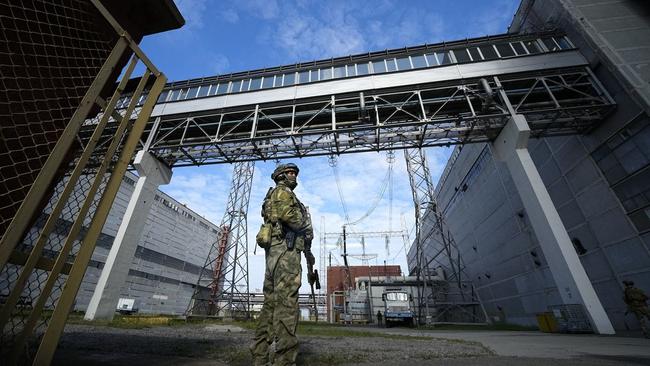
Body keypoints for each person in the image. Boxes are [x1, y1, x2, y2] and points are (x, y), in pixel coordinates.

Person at [251, 163, 314, 366]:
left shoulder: (275, 194)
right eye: (290, 172)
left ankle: (259, 358)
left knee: (270, 305)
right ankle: (284, 361)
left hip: (275, 254)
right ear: (280, 176)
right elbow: (292, 219)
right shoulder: (283, 192)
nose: (293, 175)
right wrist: (306, 223)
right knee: (287, 305)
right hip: (286, 254)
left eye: (295, 172)